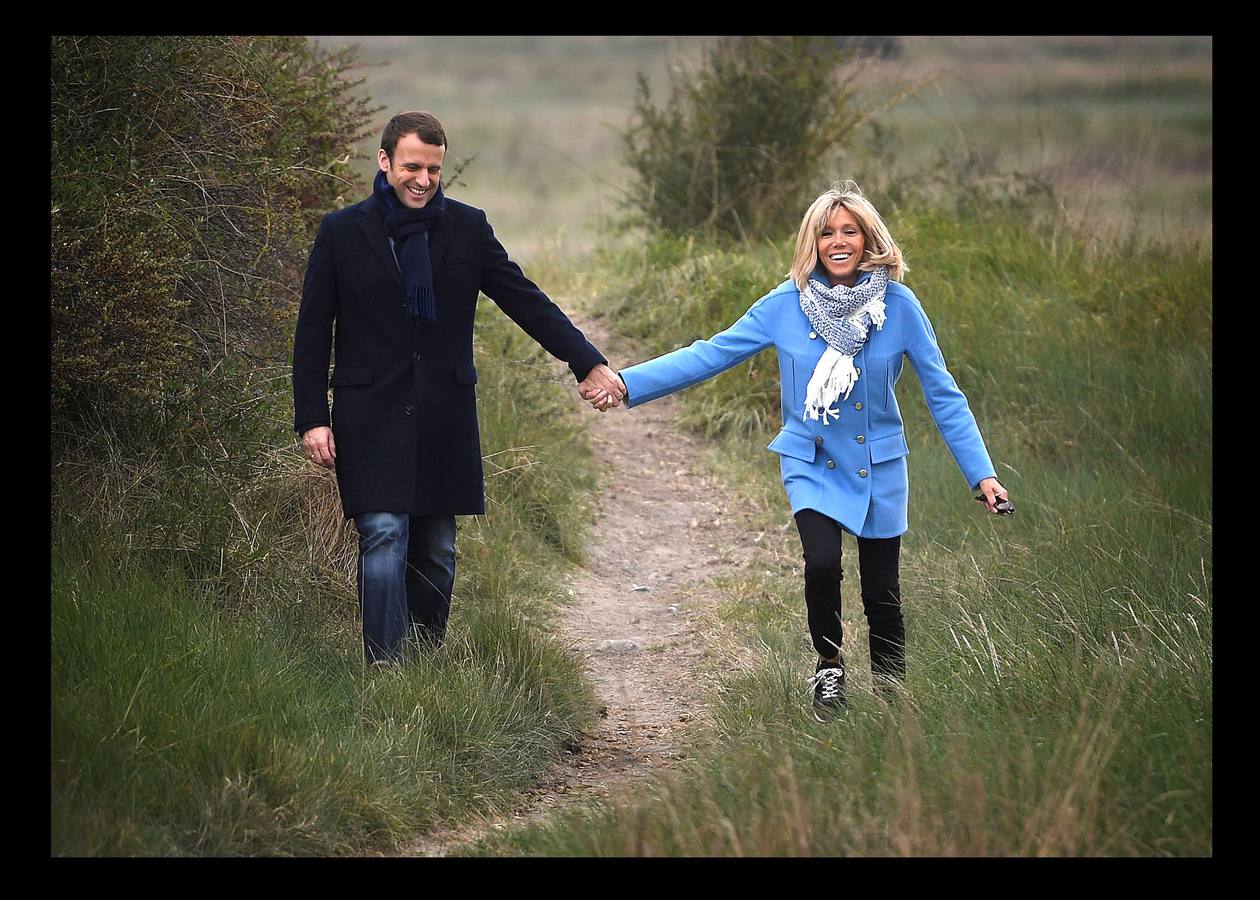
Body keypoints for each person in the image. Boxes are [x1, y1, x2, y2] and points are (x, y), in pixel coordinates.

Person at [587, 181, 1009, 717]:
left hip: (879, 463)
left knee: (882, 591)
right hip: (811, 458)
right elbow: (709, 354)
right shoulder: (785, 304)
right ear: (812, 242)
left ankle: (892, 696)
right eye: (827, 232)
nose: (839, 242)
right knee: (821, 563)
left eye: (850, 231)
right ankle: (829, 669)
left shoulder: (899, 307)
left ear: (868, 240)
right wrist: (627, 383)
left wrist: (982, 474)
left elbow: (943, 393)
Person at [293, 111, 624, 665]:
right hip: (367, 413)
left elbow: (524, 299)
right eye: (411, 167)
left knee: (437, 550)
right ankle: (386, 670)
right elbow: (312, 333)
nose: (422, 180)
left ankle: (424, 660)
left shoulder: (467, 229)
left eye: (434, 169)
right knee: (382, 535)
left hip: (443, 414)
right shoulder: (342, 233)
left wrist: (585, 362)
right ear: (384, 162)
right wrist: (312, 417)